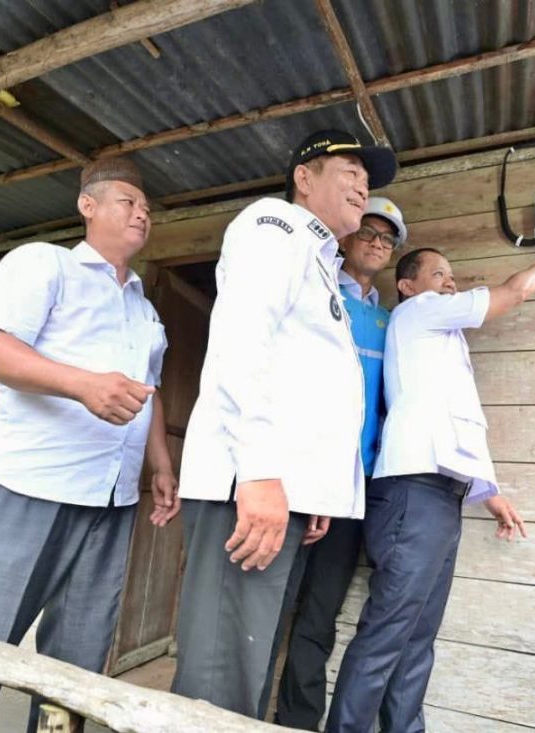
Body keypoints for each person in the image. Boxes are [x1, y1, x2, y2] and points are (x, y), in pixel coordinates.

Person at [0, 156, 179, 733]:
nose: (141, 215)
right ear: (88, 206)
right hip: (27, 487)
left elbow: (151, 392)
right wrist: (83, 384)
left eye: (146, 209)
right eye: (127, 203)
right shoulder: (44, 264)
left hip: (110, 502)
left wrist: (160, 463)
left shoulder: (146, 310)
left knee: (78, 668)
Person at [171, 129, 398, 718]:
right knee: (218, 684)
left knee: (243, 670)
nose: (362, 184)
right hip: (248, 488)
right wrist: (264, 473)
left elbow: (305, 383)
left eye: (365, 177)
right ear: (304, 177)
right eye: (349, 169)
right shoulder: (274, 225)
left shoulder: (319, 260)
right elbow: (241, 346)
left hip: (278, 489)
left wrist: (314, 488)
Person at [326, 235, 535, 733]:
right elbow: (514, 292)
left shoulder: (440, 341)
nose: (449, 283)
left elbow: (451, 423)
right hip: (412, 496)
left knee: (418, 636)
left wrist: (489, 491)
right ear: (408, 285)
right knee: (389, 632)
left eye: (451, 277)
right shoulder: (418, 314)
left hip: (440, 495)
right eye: (438, 275)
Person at [271, 196, 407, 729]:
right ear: (346, 237)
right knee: (267, 603)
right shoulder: (318, 294)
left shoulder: (392, 320)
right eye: (368, 232)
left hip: (355, 486)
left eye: (387, 239)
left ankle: (296, 721)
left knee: (320, 612)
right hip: (298, 475)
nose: (376, 243)